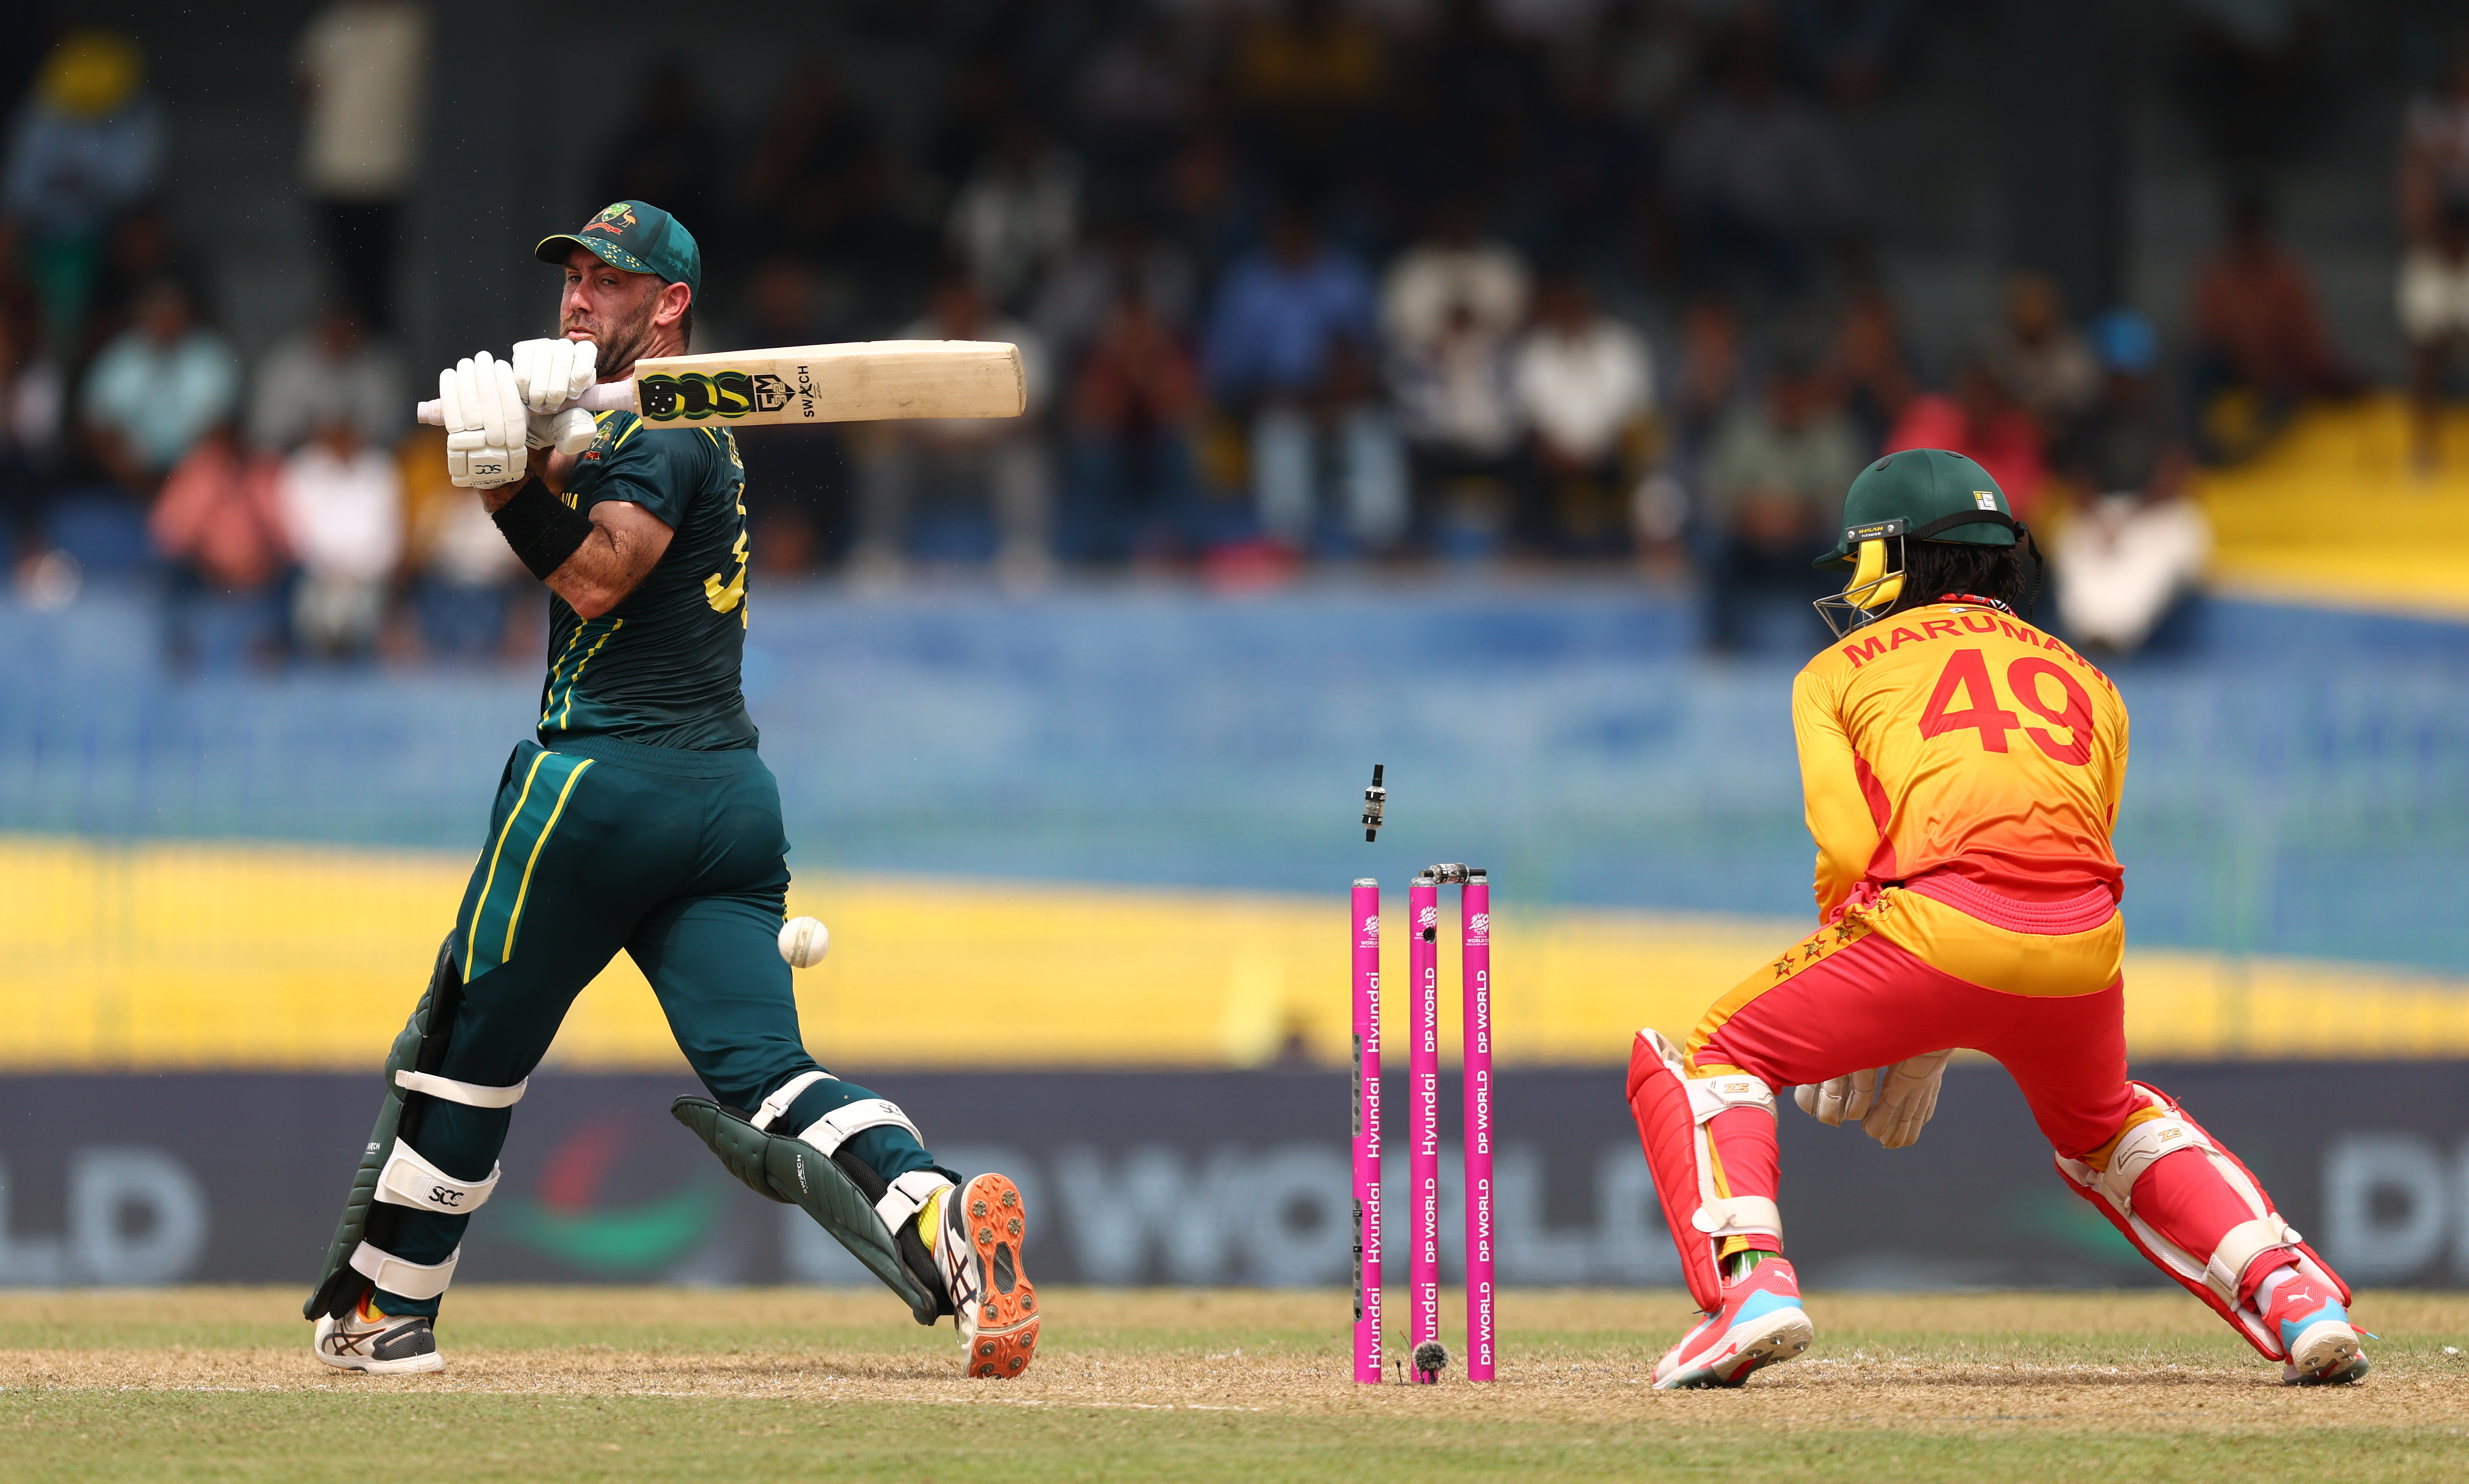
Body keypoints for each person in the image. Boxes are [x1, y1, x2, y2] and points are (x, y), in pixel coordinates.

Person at [302, 201, 1042, 1381]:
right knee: (767, 1074)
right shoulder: (636, 424)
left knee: (468, 1038)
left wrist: (499, 492)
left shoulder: (667, 424)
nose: (580, 296)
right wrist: (535, 442)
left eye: (611, 281)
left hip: (596, 783)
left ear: (672, 306)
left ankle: (388, 1305)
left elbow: (598, 575)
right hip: (726, 804)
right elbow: (584, 490)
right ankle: (935, 1213)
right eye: (574, 276)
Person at [1623, 447, 2369, 1390]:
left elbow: (1855, 854)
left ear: (1893, 560)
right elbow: (2052, 861)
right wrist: (1931, 1030)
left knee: (1710, 1056)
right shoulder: (2091, 683)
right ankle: (2291, 1291)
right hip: (2081, 950)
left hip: (1924, 931)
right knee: (2100, 1125)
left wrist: (1893, 1026)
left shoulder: (1836, 671)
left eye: (1861, 561)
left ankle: (1748, 1290)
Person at [1200, 202, 1403, 552]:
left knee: (1372, 431)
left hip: (1341, 399)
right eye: (1284, 236)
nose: (1293, 243)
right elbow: (1228, 370)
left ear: (1317, 237)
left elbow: (1370, 358)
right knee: (1282, 432)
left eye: (1302, 236)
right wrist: (1275, 399)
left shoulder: (1345, 276)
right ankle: (1289, 546)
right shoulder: (1248, 283)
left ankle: (1378, 542)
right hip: (1277, 400)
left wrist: (1339, 394)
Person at [846, 269, 1052, 585]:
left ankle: (1024, 556)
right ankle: (880, 553)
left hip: (992, 454)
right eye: (953, 302)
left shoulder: (1014, 343)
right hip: (927, 455)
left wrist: (981, 440)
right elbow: (885, 415)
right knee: (886, 459)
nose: (961, 309)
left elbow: (1032, 414)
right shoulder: (908, 343)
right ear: (939, 303)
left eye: (969, 301)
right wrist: (937, 442)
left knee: (1024, 460)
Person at [2053, 310, 2207, 653]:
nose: (2122, 380)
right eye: (2115, 372)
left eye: (2129, 372)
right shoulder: (2089, 415)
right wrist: (2100, 517)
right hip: (2104, 508)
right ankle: (2089, 634)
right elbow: (2079, 478)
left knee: (2153, 554)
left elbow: (2175, 475)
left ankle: (2119, 635)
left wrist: (2129, 520)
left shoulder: (2167, 411)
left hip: (2158, 510)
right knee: (2076, 544)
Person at [1696, 354, 1862, 652]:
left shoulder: (1832, 430)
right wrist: (1754, 517)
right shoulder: (1742, 429)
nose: (1789, 397)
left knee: (1847, 550)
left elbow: (1845, 501)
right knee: (1714, 546)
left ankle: (1840, 646)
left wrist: (1797, 517)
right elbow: (1717, 496)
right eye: (1783, 388)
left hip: (1808, 543)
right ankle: (1721, 647)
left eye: (1797, 389)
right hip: (1749, 540)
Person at [2187, 191, 2355, 463]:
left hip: (2278, 368)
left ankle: (2258, 446)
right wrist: (2249, 351)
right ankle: (2201, 450)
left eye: (2253, 231)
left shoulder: (2286, 276)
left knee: (2298, 390)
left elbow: (2305, 338)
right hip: (2231, 366)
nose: (2249, 240)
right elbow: (2208, 332)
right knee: (2197, 369)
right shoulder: (2216, 274)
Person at [293, 1, 430, 331]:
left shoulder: (407, 24)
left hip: (384, 175)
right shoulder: (334, 22)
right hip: (332, 171)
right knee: (341, 286)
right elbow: (305, 83)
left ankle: (378, 370)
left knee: (377, 289)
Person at [1509, 273, 1656, 555]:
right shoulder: (1535, 348)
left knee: (1642, 457)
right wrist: (1558, 453)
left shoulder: (1622, 345)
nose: (1571, 311)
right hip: (1552, 456)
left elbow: (1635, 412)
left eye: (1577, 304)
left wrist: (1596, 452)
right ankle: (1535, 550)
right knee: (1520, 459)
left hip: (1610, 452)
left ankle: (1622, 550)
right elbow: (1528, 415)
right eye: (1564, 305)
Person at [79, 278, 238, 496]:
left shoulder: (212, 356)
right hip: (129, 478)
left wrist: (185, 476)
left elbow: (222, 428)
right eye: (157, 311)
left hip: (193, 478)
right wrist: (129, 471)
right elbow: (95, 423)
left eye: (172, 310)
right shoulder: (120, 355)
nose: (165, 319)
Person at [277, 411, 401, 658]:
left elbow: (390, 537)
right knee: (313, 619)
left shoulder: (380, 468)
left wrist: (360, 570)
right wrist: (329, 568)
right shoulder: (303, 468)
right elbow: (294, 533)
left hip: (367, 577)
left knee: (366, 621)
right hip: (317, 576)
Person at [249, 304, 405, 454]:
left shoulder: (377, 365)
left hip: (358, 462)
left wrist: (349, 434)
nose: (340, 336)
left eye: (348, 331)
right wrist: (313, 434)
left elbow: (392, 430)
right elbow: (264, 431)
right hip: (295, 462)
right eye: (334, 329)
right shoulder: (286, 363)